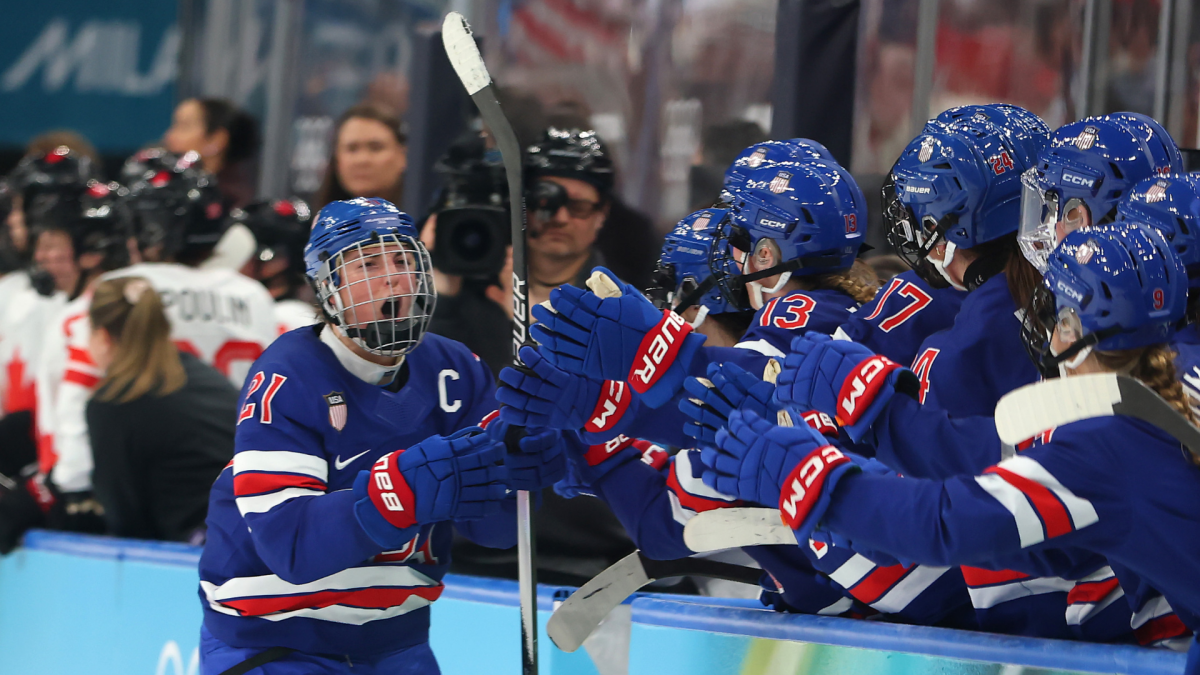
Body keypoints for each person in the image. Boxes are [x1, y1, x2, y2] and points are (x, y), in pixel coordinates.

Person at [700, 222, 1200, 662]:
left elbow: (944, 521)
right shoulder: (1174, 384)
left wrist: (811, 478)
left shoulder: (1106, 446)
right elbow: (1051, 546)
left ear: (1069, 330)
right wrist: (868, 516)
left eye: (1051, 318)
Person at [197, 197, 564, 674]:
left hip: (397, 643)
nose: (393, 277)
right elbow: (290, 546)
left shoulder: (455, 369)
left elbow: (494, 531)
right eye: (368, 263)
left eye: (404, 260)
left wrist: (521, 473)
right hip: (275, 641)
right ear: (329, 287)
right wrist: (399, 493)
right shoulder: (288, 377)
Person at [86, 276, 237, 542]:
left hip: (197, 551)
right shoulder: (202, 374)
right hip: (258, 531)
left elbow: (124, 517)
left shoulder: (113, 403)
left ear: (102, 336)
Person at [231, 199, 319, 334]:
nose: (240, 260)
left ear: (280, 261)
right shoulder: (234, 305)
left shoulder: (292, 318)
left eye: (247, 253)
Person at [163, 98, 260, 208]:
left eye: (184, 127)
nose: (169, 136)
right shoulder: (170, 191)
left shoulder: (229, 205)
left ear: (215, 141)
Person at [314, 103, 407, 210]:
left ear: (402, 155)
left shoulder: (425, 223)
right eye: (352, 149)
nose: (362, 160)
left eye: (376, 148)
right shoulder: (320, 222)